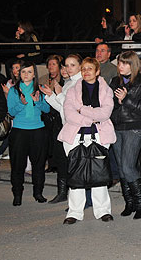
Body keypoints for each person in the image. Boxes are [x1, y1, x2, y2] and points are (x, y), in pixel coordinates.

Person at [58, 58, 116, 224]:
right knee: (77, 174)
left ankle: (103, 211)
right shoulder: (72, 90)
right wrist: (89, 119)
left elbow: (105, 113)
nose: (86, 72)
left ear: (97, 71)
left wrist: (83, 110)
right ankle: (74, 212)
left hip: (100, 135)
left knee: (99, 173)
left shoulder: (106, 89)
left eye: (90, 68)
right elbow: (69, 114)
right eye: (83, 69)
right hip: (75, 136)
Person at [109, 51, 141, 219]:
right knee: (121, 167)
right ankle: (130, 203)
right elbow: (109, 104)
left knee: (128, 166)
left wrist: (126, 99)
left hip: (134, 127)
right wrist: (116, 102)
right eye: (119, 63)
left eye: (125, 63)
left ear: (133, 65)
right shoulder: (115, 81)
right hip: (117, 126)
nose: (120, 66)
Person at [40, 54, 82, 204]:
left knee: (74, 164)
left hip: (77, 128)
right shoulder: (69, 83)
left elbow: (73, 107)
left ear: (80, 66)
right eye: (66, 65)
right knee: (64, 162)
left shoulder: (80, 83)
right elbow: (63, 109)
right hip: (66, 127)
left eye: (72, 65)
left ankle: (75, 199)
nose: (68, 68)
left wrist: (58, 94)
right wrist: (51, 96)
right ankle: (64, 193)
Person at [7, 61, 51, 205]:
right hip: (19, 131)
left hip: (38, 130)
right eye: (23, 71)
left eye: (29, 72)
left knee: (38, 165)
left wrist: (38, 102)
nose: (26, 75)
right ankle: (17, 194)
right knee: (18, 165)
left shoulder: (40, 88)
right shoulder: (14, 90)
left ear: (34, 74)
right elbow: (11, 112)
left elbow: (47, 109)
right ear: (19, 74)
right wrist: (22, 103)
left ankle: (38, 192)